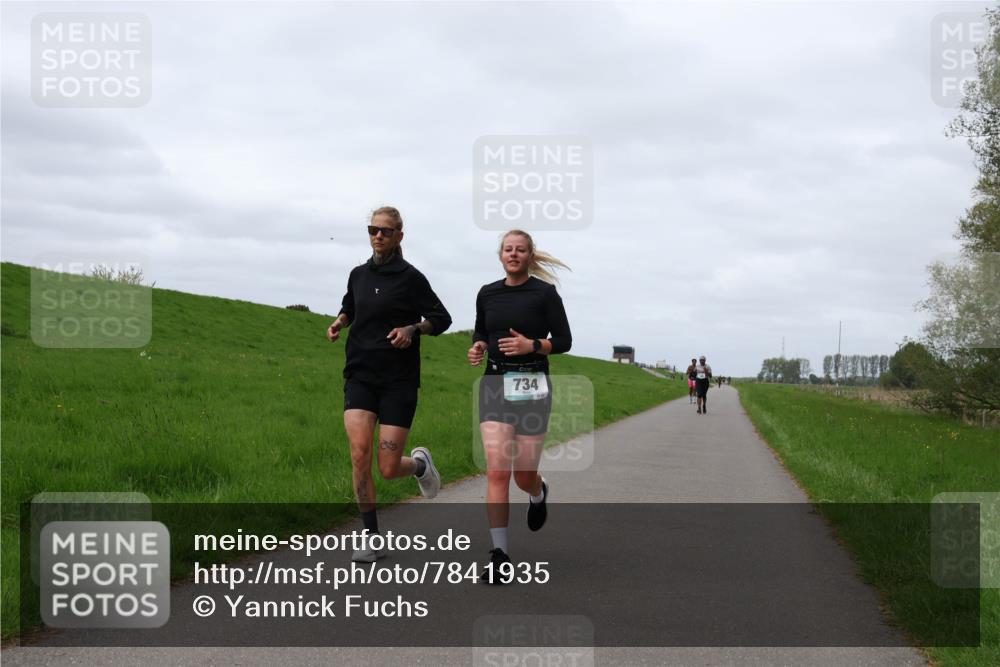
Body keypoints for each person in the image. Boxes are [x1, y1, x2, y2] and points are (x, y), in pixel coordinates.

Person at [327, 206, 452, 562]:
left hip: (398, 380)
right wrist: (339, 322)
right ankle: (370, 537)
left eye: (385, 231)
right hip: (360, 375)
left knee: (387, 466)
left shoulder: (411, 278)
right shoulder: (357, 274)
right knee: (359, 454)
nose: (378, 236)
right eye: (373, 230)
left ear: (399, 236)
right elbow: (350, 306)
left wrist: (413, 329)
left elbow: (441, 318)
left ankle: (420, 466)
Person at [467, 230, 572, 584]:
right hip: (495, 383)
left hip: (532, 385)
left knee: (522, 474)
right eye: (508, 249)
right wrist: (478, 347)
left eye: (521, 250)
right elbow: (482, 331)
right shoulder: (487, 293)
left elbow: (564, 341)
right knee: (497, 472)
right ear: (501, 255)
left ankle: (538, 491)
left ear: (530, 256)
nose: (514, 254)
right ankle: (499, 554)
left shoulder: (544, 294)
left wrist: (533, 345)